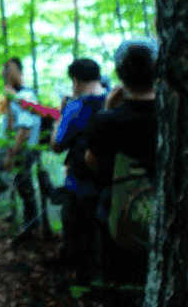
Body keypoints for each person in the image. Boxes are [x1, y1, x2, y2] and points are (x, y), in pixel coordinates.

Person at [85, 37, 158, 283]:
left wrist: (107, 109)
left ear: (120, 73)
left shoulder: (108, 121)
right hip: (168, 218)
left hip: (118, 219)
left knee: (119, 283)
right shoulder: (174, 117)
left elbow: (92, 162)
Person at [50, 58, 107, 284]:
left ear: (75, 80)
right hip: (114, 184)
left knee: (78, 239)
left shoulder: (75, 107)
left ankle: (79, 285)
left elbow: (57, 145)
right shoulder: (114, 99)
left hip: (80, 184)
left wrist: (58, 116)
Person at [0, 58, 41, 243]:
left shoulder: (26, 95)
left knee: (14, 187)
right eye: (4, 70)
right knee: (21, 188)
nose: (5, 73)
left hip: (21, 151)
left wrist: (11, 155)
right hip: (13, 149)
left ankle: (29, 230)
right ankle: (29, 229)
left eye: (9, 69)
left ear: (20, 72)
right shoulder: (13, 96)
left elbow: (24, 128)